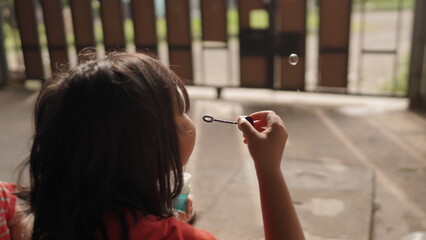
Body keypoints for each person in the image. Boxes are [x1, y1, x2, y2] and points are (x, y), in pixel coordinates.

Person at [18, 51, 304, 240]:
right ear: (148, 144)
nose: (187, 122)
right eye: (180, 113)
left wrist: (158, 216)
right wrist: (269, 170)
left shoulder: (52, 219)